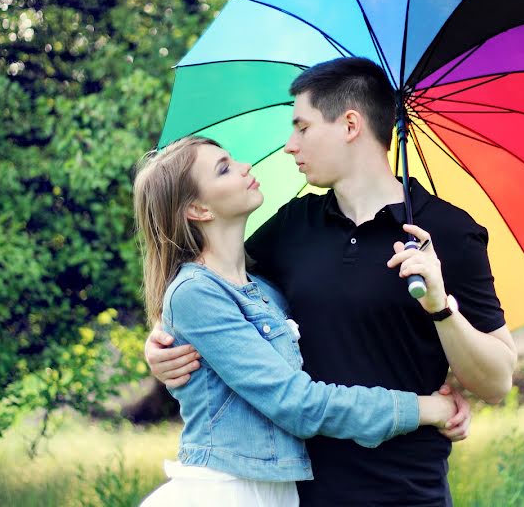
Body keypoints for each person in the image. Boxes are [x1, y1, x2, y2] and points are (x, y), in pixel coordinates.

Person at [146, 57, 517, 505]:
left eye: (302, 127)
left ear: (350, 125)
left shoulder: (450, 232)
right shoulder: (292, 227)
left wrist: (441, 307)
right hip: (301, 491)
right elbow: (221, 291)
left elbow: (496, 380)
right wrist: (161, 344)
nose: (289, 145)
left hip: (407, 490)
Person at [133, 135, 464, 507]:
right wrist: (422, 409)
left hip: (279, 491)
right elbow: (296, 404)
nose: (245, 167)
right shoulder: (196, 292)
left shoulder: (265, 290)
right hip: (226, 488)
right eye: (225, 168)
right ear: (199, 209)